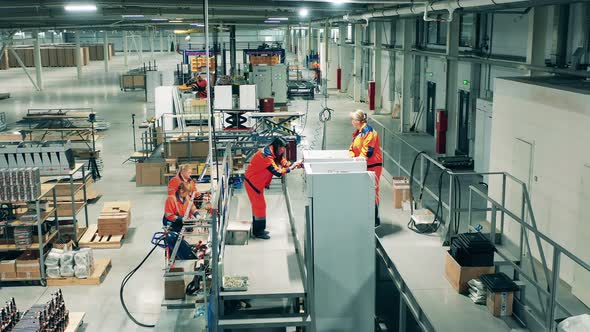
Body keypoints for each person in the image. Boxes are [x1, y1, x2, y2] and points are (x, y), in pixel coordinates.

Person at [244, 137, 302, 239]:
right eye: (282, 148)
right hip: (253, 183)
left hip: (258, 183)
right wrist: (291, 168)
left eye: (284, 148)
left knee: (258, 206)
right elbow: (278, 172)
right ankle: (258, 232)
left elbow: (283, 162)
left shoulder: (274, 152)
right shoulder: (266, 155)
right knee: (260, 206)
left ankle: (258, 229)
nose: (283, 150)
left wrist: (295, 165)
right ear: (277, 146)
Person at [349, 110, 383, 226]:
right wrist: (353, 158)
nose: (351, 122)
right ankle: (366, 216)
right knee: (364, 192)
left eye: (352, 120)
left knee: (372, 192)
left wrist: (357, 163)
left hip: (372, 167)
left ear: (358, 121)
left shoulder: (369, 133)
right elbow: (352, 149)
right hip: (363, 166)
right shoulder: (358, 133)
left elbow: (367, 152)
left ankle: (374, 219)